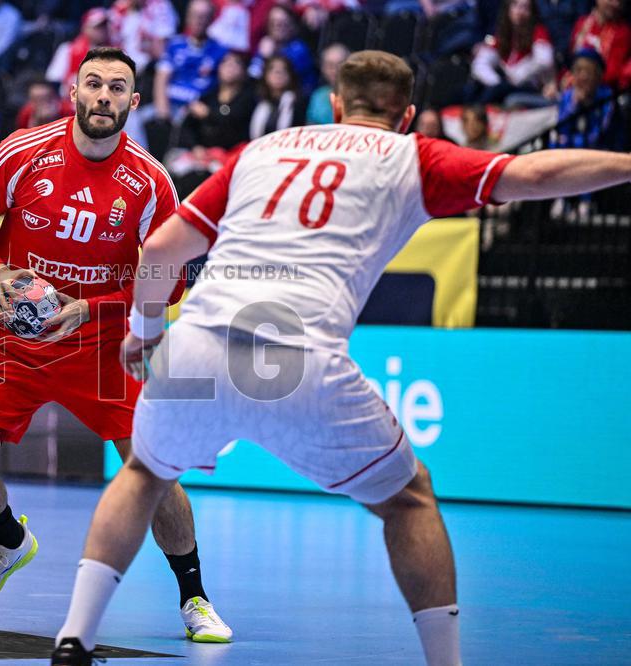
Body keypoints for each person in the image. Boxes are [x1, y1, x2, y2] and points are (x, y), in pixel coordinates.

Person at [50, 49, 631, 665]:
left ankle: (73, 639)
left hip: (199, 338)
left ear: (335, 104)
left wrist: (141, 333)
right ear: (407, 114)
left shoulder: (265, 149)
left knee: (142, 475)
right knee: (409, 499)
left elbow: (163, 247)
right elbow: (537, 176)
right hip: (295, 353)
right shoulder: (416, 157)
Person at [0, 46, 233, 646]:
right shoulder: (22, 152)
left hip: (103, 340)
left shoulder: (151, 181)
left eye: (116, 88)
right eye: (93, 84)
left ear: (133, 101)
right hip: (15, 333)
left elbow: (172, 278)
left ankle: (195, 598)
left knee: (153, 470)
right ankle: (8, 542)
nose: (103, 96)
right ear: (73, 93)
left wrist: (91, 306)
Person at [470, 0, 555, 107]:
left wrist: (518, 74)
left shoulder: (538, 31)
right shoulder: (503, 35)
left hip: (531, 86)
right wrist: (497, 83)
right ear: (508, 9)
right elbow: (479, 64)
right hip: (504, 86)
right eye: (515, 5)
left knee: (496, 97)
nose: (520, 11)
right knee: (470, 92)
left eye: (525, 8)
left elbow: (544, 60)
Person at [152, 0, 227, 121]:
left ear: (212, 19)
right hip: (171, 105)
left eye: (203, 16)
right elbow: (161, 78)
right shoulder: (174, 45)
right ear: (187, 17)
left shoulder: (220, 50)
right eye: (195, 15)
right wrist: (162, 111)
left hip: (199, 110)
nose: (199, 20)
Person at [249, 4, 316, 97]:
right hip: (268, 98)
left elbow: (289, 77)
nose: (277, 27)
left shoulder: (299, 48)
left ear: (292, 25)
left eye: (282, 23)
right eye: (273, 23)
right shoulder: (265, 45)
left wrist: (268, 57)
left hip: (297, 97)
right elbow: (253, 75)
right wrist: (262, 57)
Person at [569, 0, 631, 88]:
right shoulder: (582, 23)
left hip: (601, 91)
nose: (616, 4)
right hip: (575, 87)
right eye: (611, 0)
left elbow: (612, 73)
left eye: (619, 1)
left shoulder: (622, 32)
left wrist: (580, 79)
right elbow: (572, 58)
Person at [250, 55, 304, 139]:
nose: (278, 73)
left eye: (284, 69)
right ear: (265, 75)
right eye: (272, 69)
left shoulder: (299, 103)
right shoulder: (256, 101)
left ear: (290, 75)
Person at [306, 42, 349, 125]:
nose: (334, 70)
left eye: (340, 64)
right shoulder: (318, 95)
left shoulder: (360, 97)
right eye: (329, 65)